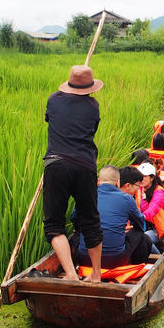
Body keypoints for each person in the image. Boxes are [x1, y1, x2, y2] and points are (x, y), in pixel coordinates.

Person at [43, 64, 104, 283]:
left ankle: (70, 274)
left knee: (54, 224)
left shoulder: (53, 100)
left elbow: (51, 121)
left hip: (56, 164)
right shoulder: (93, 106)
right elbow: (90, 131)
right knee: (90, 219)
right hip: (85, 165)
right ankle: (96, 275)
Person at [74, 165, 152, 269]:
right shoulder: (127, 199)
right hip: (115, 260)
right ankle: (137, 269)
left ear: (98, 181)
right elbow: (140, 225)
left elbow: (75, 220)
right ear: (118, 182)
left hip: (85, 258)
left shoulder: (85, 196)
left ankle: (77, 266)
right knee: (140, 235)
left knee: (77, 234)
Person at [130, 163, 164, 248]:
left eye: (144, 176)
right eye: (140, 176)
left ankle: (157, 258)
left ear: (152, 178)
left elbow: (154, 208)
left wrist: (140, 217)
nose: (141, 179)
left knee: (142, 239)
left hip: (156, 228)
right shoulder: (138, 189)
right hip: (141, 225)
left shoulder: (159, 191)